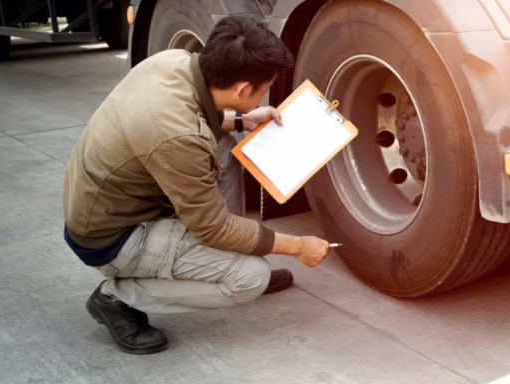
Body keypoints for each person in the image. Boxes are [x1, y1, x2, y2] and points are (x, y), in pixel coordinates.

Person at [63, 16, 331, 355]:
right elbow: (212, 229)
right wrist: (297, 246)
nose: (265, 96)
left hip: (106, 202)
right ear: (242, 89)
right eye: (264, 89)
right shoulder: (178, 137)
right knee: (250, 277)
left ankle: (224, 256)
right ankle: (115, 297)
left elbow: (193, 109)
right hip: (112, 237)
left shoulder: (173, 61)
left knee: (227, 145)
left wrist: (241, 119)